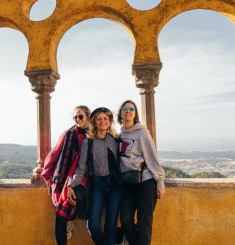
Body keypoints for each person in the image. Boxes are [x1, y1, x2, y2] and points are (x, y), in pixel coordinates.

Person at [67, 107, 121, 245]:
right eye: (99, 119)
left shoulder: (116, 141)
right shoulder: (88, 142)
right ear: (94, 122)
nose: (102, 121)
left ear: (110, 121)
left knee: (110, 227)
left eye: (105, 118)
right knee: (93, 227)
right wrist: (71, 185)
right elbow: (81, 168)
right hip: (98, 186)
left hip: (116, 186)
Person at [117, 100, 165, 245]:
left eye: (131, 109)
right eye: (125, 109)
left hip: (145, 182)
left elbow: (152, 156)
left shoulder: (142, 132)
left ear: (135, 113)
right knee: (125, 220)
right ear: (120, 113)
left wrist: (160, 181)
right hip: (127, 183)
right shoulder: (119, 134)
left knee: (144, 223)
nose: (128, 111)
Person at [41, 105, 91, 245]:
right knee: (60, 215)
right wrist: (47, 174)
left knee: (77, 199)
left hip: (84, 178)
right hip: (65, 178)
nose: (77, 119)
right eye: (75, 117)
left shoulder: (93, 135)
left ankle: (72, 218)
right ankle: (68, 221)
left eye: (80, 116)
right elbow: (54, 153)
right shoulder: (68, 134)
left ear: (88, 117)